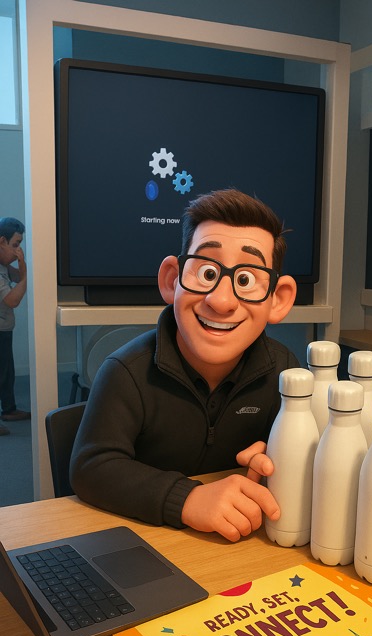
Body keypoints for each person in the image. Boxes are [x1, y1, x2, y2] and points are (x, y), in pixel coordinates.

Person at [71, 189, 298, 541]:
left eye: (246, 280)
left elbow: (300, 453)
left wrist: (281, 454)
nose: (221, 301)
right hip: (146, 545)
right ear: (171, 279)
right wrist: (186, 498)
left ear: (278, 300)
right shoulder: (126, 371)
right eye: (207, 273)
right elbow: (91, 467)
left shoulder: (285, 371)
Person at [0, 217, 30, 436]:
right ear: (2, 241)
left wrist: (21, 264)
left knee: (7, 373)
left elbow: (20, 276)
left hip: (5, 330)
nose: (18, 250)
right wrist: (25, 279)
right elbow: (12, 300)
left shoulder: (3, 267)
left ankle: (8, 409)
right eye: (15, 245)